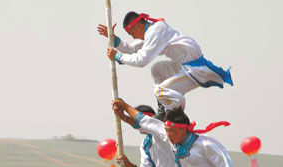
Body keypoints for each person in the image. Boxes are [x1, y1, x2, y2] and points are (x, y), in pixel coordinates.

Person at [99, 11, 232, 114]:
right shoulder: (152, 31)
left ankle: (176, 114)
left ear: (138, 25)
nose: (133, 37)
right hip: (185, 66)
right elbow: (132, 49)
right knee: (157, 69)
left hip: (195, 70)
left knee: (160, 90)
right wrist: (114, 38)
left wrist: (118, 57)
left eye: (131, 33)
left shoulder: (156, 32)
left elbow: (141, 60)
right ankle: (164, 109)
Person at [112, 99, 188, 167]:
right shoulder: (145, 144)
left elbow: (146, 123)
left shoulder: (165, 133)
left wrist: (125, 110)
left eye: (135, 117)